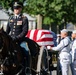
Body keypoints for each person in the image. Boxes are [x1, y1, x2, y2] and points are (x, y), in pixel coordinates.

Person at [6, 1, 29, 66]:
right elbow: (7, 31)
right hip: (11, 40)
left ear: (21, 8)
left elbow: (25, 31)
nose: (16, 9)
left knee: (26, 52)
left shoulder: (24, 18)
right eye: (15, 8)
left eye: (18, 8)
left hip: (20, 40)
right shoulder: (10, 18)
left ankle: (27, 68)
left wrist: (16, 38)